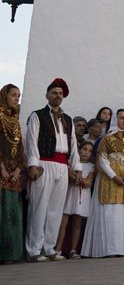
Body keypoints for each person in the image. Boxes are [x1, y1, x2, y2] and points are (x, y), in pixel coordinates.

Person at [25, 78, 80, 261]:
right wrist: (33, 164)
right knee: (39, 207)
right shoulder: (37, 115)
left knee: (56, 209)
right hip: (44, 164)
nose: (57, 96)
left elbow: (73, 144)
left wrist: (76, 167)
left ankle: (49, 248)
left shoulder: (68, 120)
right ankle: (34, 249)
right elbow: (32, 141)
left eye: (60, 94)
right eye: (54, 93)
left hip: (62, 166)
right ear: (47, 95)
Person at [83, 109, 124, 257]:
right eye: (121, 118)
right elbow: (102, 160)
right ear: (115, 120)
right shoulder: (107, 138)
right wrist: (113, 176)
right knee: (112, 215)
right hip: (110, 182)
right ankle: (111, 250)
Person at [55, 139, 95, 258]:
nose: (86, 152)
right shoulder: (70, 163)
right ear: (79, 150)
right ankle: (57, 249)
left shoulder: (91, 166)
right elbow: (71, 178)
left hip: (83, 196)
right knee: (63, 221)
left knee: (77, 222)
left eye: (89, 151)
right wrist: (78, 179)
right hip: (69, 194)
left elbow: (88, 182)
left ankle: (73, 250)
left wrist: (80, 179)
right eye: (84, 149)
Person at [0, 84, 26, 263]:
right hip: (1, 169)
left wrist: (18, 169)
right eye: (13, 95)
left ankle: (10, 254)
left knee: (12, 214)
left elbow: (21, 148)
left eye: (19, 95)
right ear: (4, 96)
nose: (17, 98)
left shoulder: (15, 120)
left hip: (14, 172)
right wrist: (1, 167)